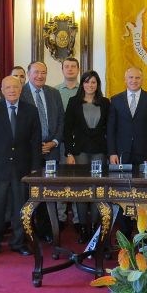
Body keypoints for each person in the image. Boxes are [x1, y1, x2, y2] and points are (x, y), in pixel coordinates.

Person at [0, 76, 41, 260]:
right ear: (2, 90)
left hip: (23, 169)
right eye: (8, 87)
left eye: (15, 87)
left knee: (20, 208)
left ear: (21, 89)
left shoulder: (31, 111)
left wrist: (35, 169)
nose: (12, 90)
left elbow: (35, 143)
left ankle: (19, 242)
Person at [108, 67, 147, 237]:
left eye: (137, 78)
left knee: (143, 193)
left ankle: (143, 231)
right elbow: (111, 129)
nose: (134, 80)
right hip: (122, 154)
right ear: (125, 79)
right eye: (131, 77)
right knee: (124, 192)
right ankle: (125, 230)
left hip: (144, 155)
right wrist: (112, 152)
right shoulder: (115, 100)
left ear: (142, 80)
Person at [63, 70, 110, 243]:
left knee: (97, 189)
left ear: (98, 85)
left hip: (99, 151)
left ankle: (96, 228)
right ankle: (83, 227)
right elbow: (67, 130)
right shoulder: (73, 102)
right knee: (81, 190)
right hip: (80, 152)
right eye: (87, 82)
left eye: (94, 82)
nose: (90, 85)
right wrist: (69, 153)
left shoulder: (105, 103)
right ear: (82, 84)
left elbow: (109, 129)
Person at [21, 61, 64, 241]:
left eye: (43, 72)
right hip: (29, 152)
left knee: (49, 191)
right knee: (30, 192)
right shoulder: (20, 92)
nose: (40, 76)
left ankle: (48, 229)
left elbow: (62, 120)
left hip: (51, 150)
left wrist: (54, 142)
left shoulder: (53, 93)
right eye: (36, 72)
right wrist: (35, 144)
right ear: (29, 73)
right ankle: (29, 231)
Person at [54, 57, 80, 226]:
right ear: (62, 70)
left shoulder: (85, 89)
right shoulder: (55, 91)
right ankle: (61, 217)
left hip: (82, 145)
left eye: (73, 67)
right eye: (67, 66)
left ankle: (79, 219)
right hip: (62, 144)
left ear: (78, 69)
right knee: (61, 181)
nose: (70, 69)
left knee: (79, 181)